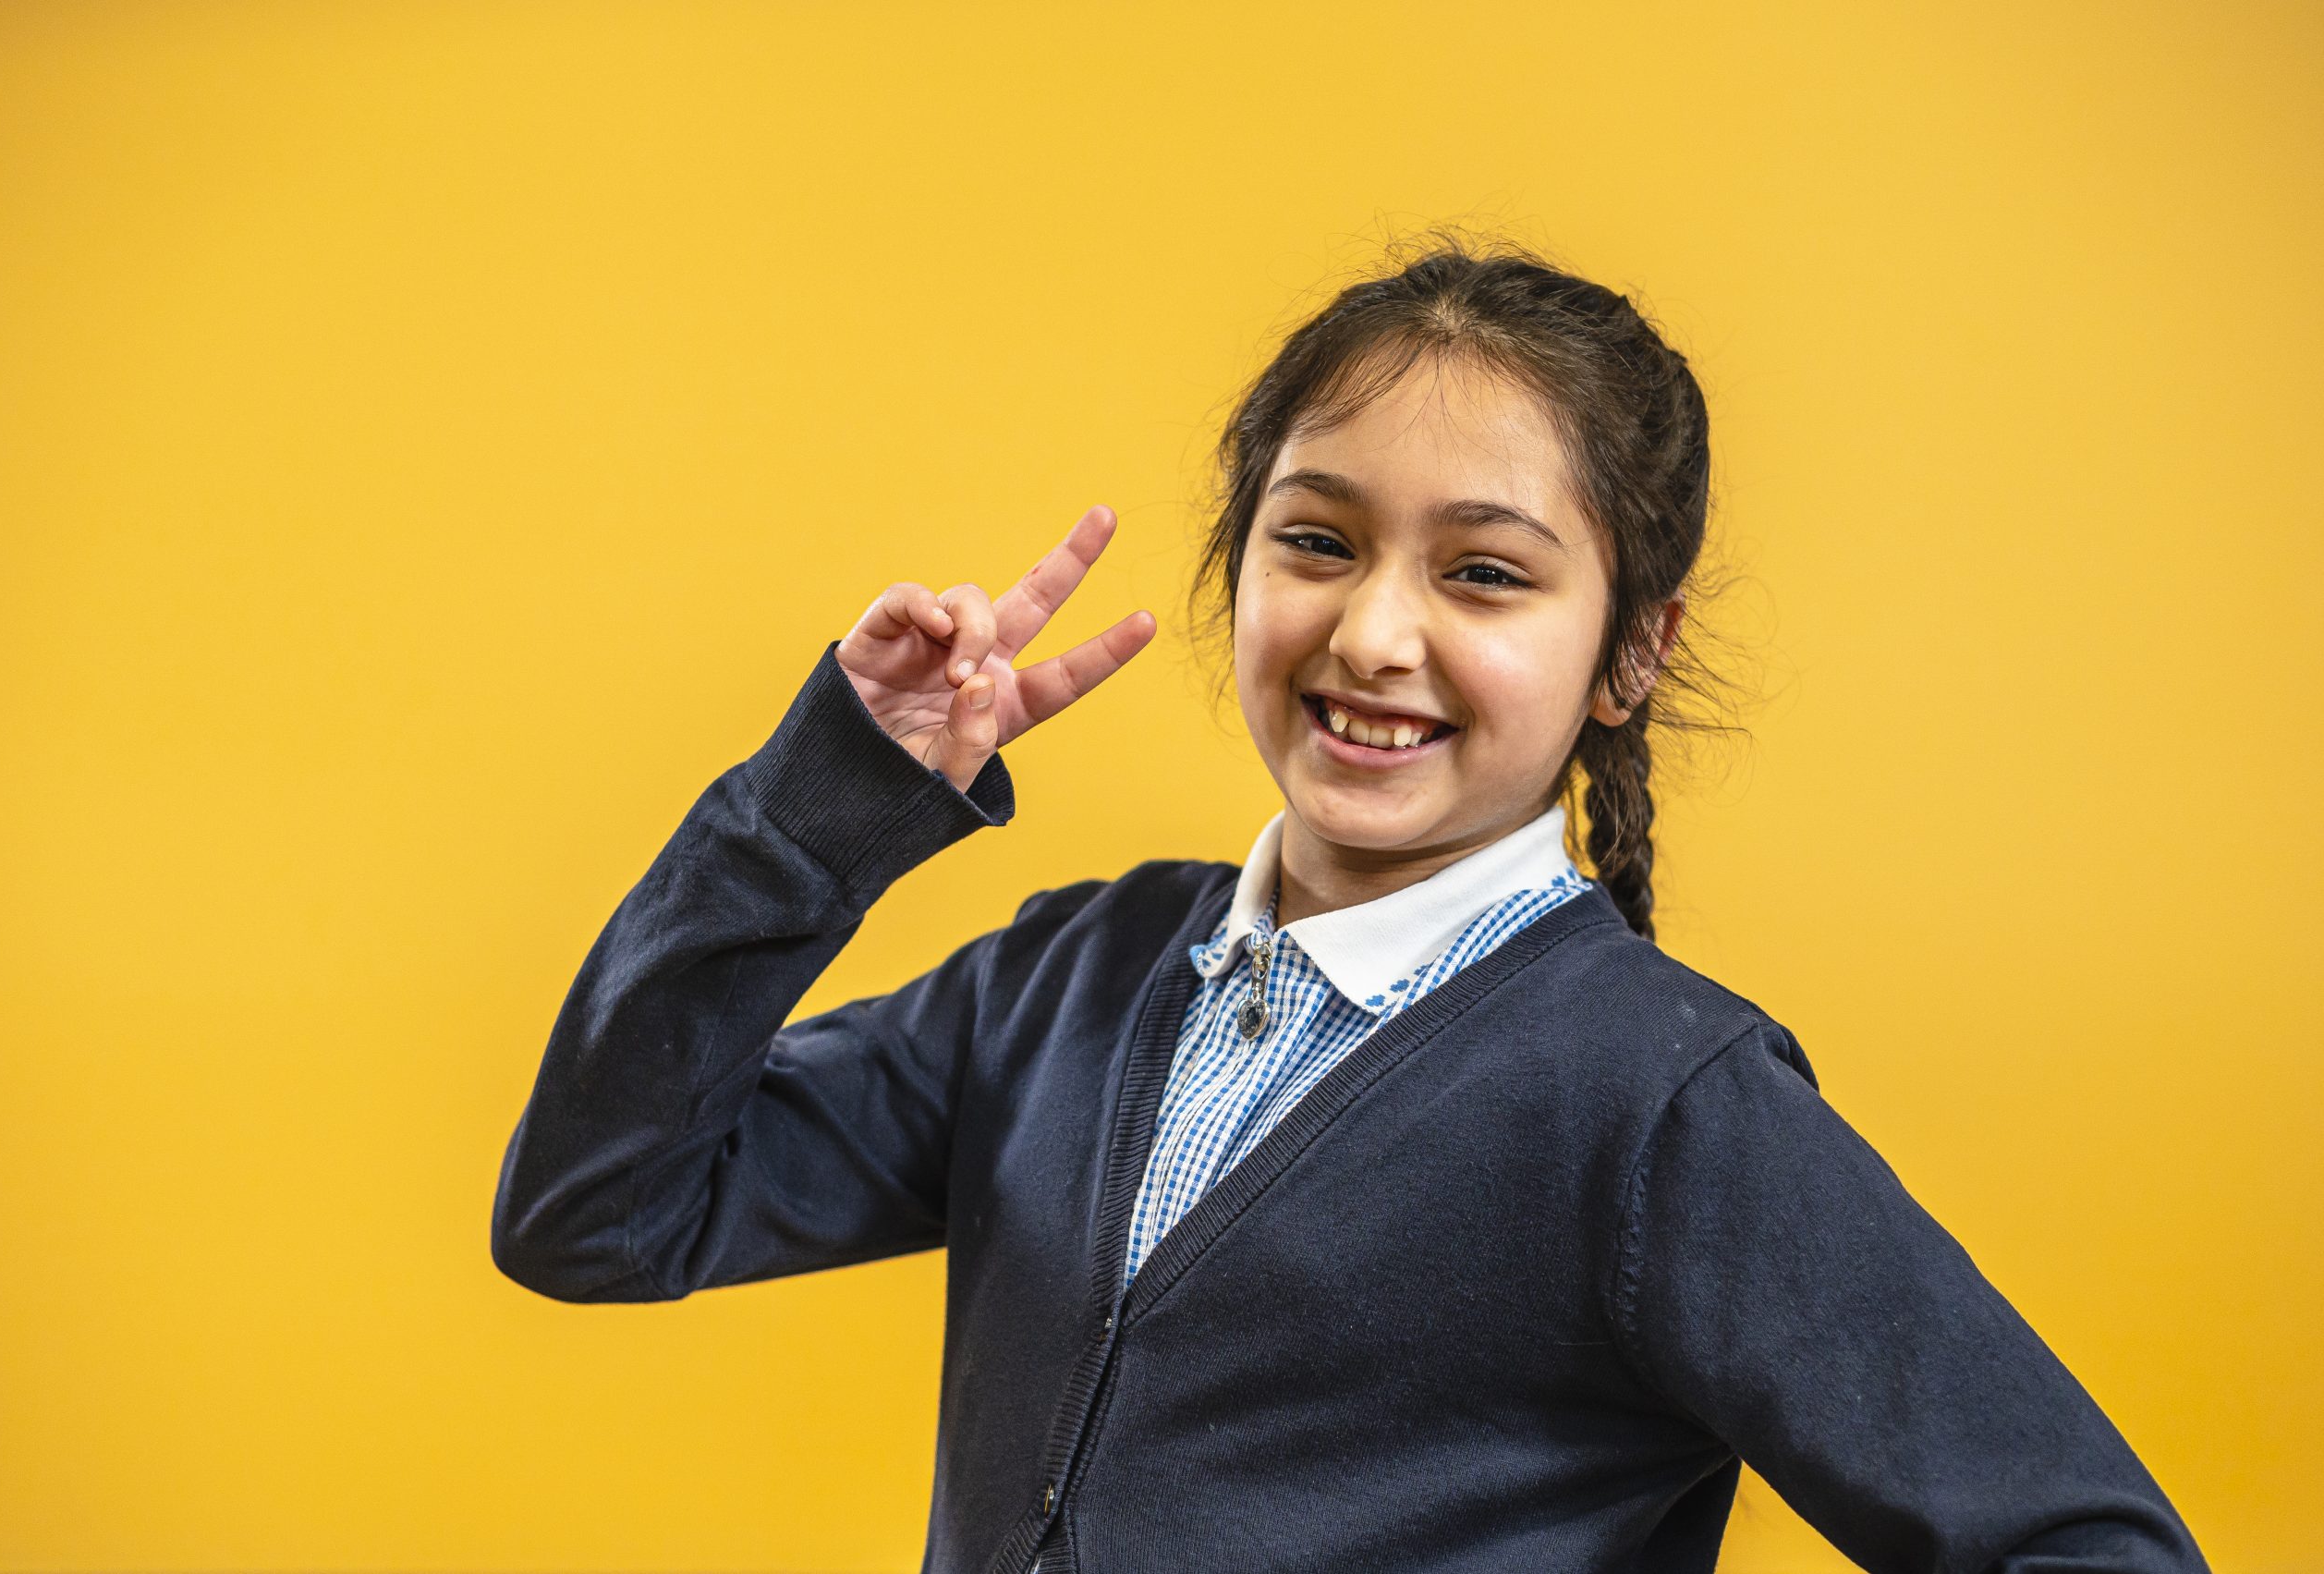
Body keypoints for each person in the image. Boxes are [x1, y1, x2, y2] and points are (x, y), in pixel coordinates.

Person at [491, 238, 2208, 1572]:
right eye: (1317, 542)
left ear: (1631, 650)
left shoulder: (1656, 1108)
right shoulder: (1068, 981)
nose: (1375, 634)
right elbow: (597, 1213)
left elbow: (2078, 1540)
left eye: (1483, 573)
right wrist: (833, 804)